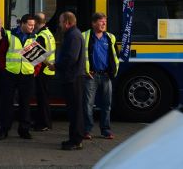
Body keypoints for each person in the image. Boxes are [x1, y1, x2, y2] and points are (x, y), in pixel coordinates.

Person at [0, 14, 36, 140]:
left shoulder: (35, 37)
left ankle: (24, 130)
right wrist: (4, 70)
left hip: (27, 75)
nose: (32, 27)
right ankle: (4, 130)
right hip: (10, 74)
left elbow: (38, 58)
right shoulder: (10, 35)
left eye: (33, 25)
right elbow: (1, 54)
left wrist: (35, 71)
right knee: (7, 103)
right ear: (22, 24)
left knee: (25, 104)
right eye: (30, 25)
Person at [82, 12, 120, 140]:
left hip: (105, 76)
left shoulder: (110, 37)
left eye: (105, 21)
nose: (104, 24)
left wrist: (112, 71)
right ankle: (87, 130)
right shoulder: (85, 36)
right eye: (101, 21)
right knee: (88, 104)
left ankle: (105, 130)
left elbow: (115, 56)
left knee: (106, 105)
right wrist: (84, 70)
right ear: (93, 23)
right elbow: (80, 56)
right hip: (90, 76)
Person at [53, 11, 86, 151]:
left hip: (73, 78)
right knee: (73, 110)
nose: (59, 25)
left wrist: (56, 65)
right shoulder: (73, 34)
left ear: (67, 22)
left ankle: (76, 140)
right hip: (72, 77)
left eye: (61, 22)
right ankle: (74, 139)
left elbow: (71, 58)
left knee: (75, 111)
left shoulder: (73, 36)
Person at [33, 12, 56, 132]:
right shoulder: (49, 33)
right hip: (49, 71)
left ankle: (44, 123)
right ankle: (44, 122)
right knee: (45, 98)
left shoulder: (41, 35)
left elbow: (38, 55)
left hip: (43, 70)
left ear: (36, 22)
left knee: (42, 99)